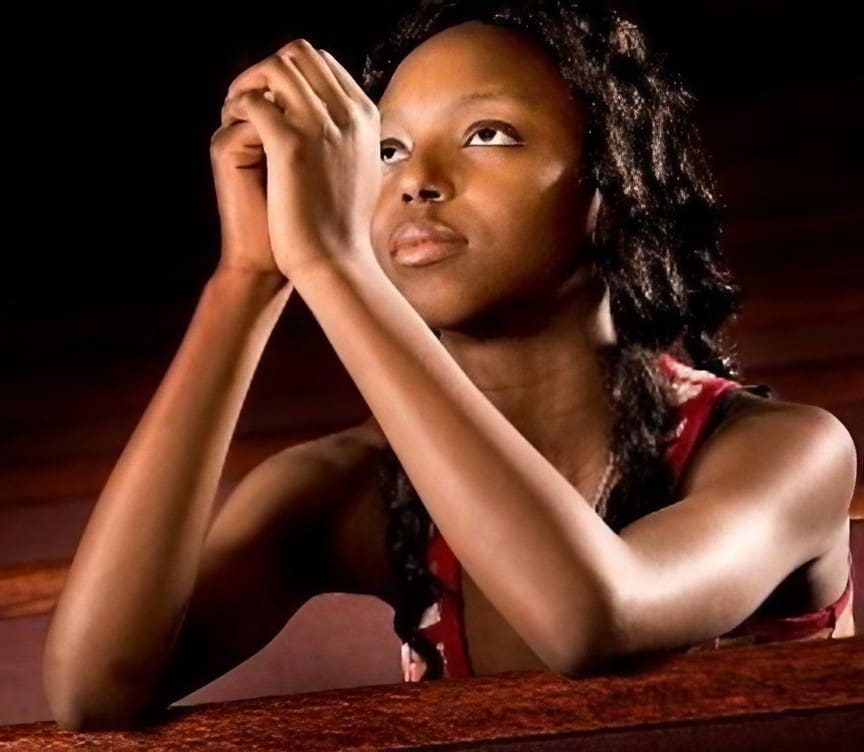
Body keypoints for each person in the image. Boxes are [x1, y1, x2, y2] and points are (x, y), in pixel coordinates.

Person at [42, 0, 856, 731]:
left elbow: (591, 620)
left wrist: (336, 271)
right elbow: (93, 694)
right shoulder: (354, 489)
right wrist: (248, 279)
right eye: (387, 151)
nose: (417, 184)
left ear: (613, 192)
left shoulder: (783, 453)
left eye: (486, 135)